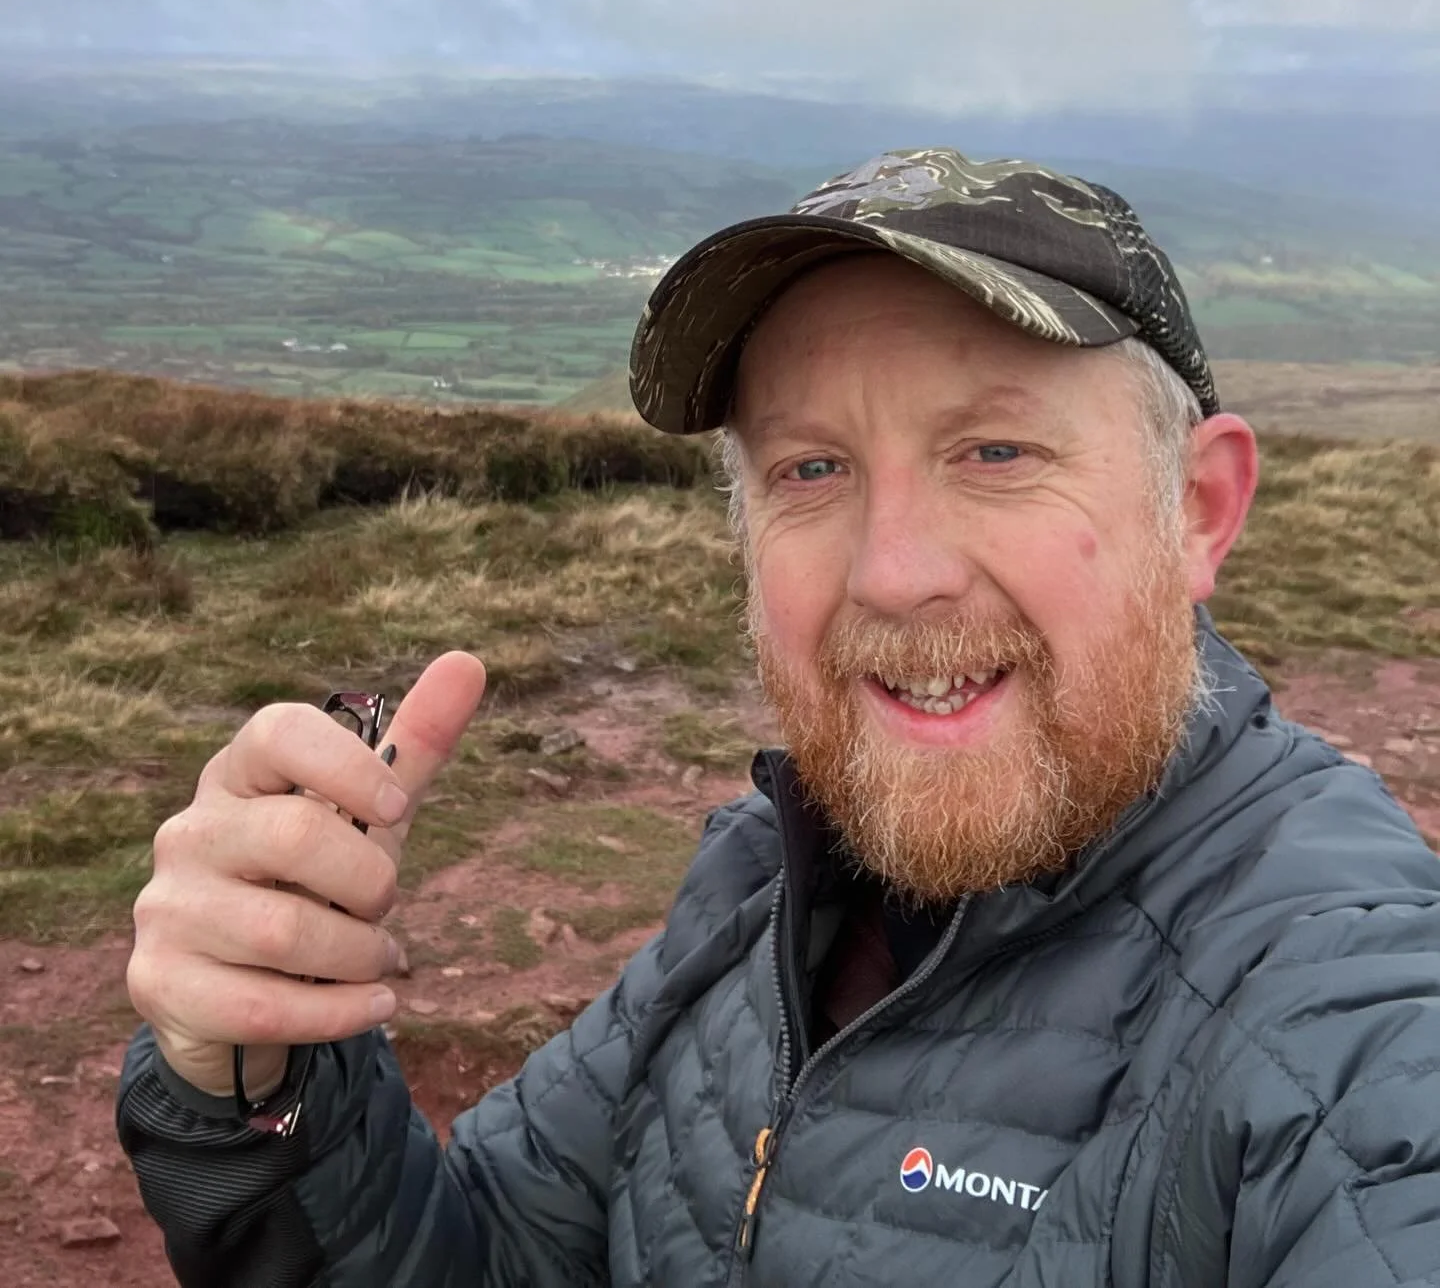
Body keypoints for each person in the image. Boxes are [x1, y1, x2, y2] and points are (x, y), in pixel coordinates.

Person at [117, 147, 1440, 1287]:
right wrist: (261, 1075)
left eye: (996, 452)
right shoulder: (765, 880)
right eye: (811, 468)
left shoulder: (1340, 1023)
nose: (892, 571)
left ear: (1198, 510)